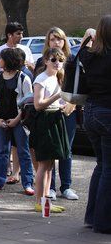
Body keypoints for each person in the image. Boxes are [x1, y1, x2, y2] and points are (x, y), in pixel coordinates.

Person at [33, 27, 78, 201]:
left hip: (67, 111)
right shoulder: (42, 62)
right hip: (48, 114)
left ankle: (66, 186)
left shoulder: (72, 60)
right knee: (49, 155)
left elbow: (76, 87)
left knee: (66, 150)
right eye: (52, 39)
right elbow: (39, 94)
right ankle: (47, 190)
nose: (56, 42)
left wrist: (70, 105)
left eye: (59, 39)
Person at [79, 15, 111, 232]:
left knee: (101, 165)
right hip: (108, 112)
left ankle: (92, 216)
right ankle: (103, 221)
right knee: (108, 168)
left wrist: (89, 35)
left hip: (90, 112)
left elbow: (79, 49)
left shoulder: (88, 55)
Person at [0, 48, 34, 195]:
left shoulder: (23, 78)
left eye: (1, 58)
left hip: (19, 121)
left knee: (23, 151)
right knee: (2, 152)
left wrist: (16, 120)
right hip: (1, 119)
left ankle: (27, 183)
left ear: (8, 60)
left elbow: (28, 103)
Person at [30, 47, 70, 214]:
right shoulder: (41, 79)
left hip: (55, 118)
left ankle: (46, 202)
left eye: (60, 60)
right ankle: (39, 201)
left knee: (50, 165)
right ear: (46, 60)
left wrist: (62, 105)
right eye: (53, 60)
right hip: (45, 121)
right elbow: (38, 104)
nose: (57, 63)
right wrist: (57, 96)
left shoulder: (56, 78)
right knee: (43, 164)